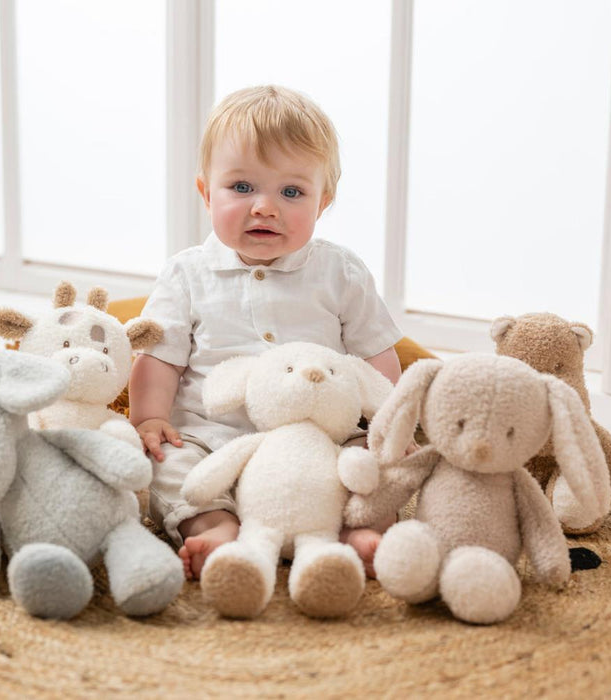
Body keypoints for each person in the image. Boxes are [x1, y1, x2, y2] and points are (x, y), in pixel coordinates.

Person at [129, 85, 403, 580]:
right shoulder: (187, 274)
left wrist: (388, 425)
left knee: (373, 466)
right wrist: (149, 417)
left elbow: (376, 355)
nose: (264, 207)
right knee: (169, 463)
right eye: (241, 187)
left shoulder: (340, 272)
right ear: (206, 193)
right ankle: (216, 526)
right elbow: (159, 358)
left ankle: (355, 533)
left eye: (291, 192)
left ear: (322, 203)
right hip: (214, 438)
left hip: (322, 440)